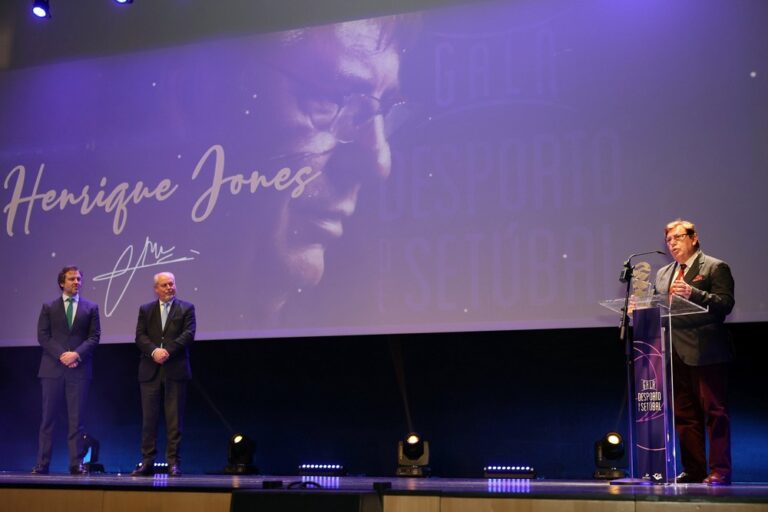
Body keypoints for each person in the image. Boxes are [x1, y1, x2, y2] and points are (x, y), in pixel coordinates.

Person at [655, 219, 735, 485]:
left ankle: (720, 471)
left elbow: (725, 305)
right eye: (668, 240)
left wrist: (694, 292)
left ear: (693, 237)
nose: (673, 243)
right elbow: (661, 308)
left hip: (706, 351)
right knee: (685, 415)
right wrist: (641, 310)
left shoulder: (715, 267)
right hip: (674, 351)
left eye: (678, 237)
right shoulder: (664, 274)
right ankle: (694, 469)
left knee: (715, 413)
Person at [32, 265, 101, 475]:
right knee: (48, 419)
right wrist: (63, 355)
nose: (76, 282)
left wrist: (76, 355)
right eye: (72, 279)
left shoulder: (91, 308)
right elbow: (43, 336)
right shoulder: (49, 307)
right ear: (62, 282)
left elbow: (94, 337)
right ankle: (42, 463)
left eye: (79, 279)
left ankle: (76, 463)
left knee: (77, 420)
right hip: (52, 369)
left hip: (79, 370)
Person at [131, 272, 196, 477]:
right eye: (165, 285)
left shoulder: (186, 308)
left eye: (172, 284)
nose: (169, 288)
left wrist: (167, 350)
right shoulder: (146, 309)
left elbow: (188, 334)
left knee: (174, 420)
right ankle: (147, 462)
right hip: (150, 371)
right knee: (149, 420)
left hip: (175, 370)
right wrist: (153, 351)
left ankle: (173, 463)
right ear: (156, 289)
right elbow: (140, 336)